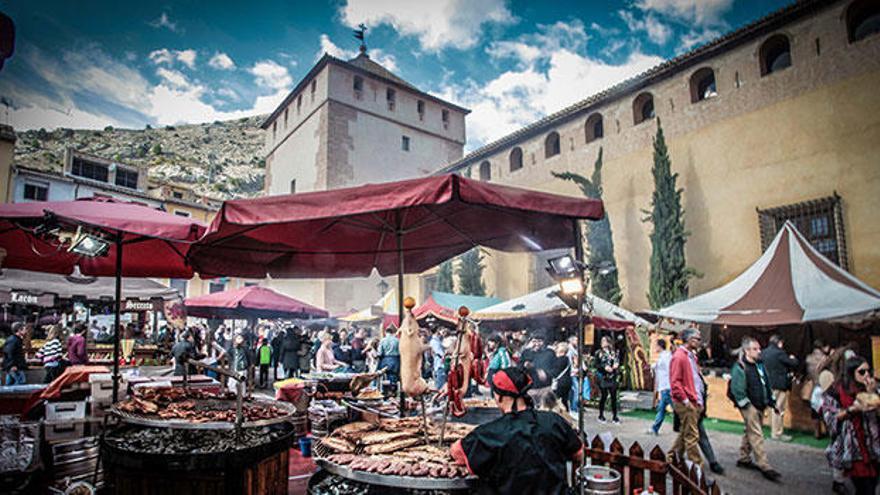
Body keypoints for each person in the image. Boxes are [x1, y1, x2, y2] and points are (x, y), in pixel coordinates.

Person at [450, 367, 582, 495]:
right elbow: (579, 454)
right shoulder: (554, 420)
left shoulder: (490, 433)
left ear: (498, 396)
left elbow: (457, 451)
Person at [820, 356, 880, 495]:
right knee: (866, 489)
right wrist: (852, 409)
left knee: (871, 484)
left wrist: (872, 395)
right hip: (852, 448)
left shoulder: (872, 389)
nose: (867, 375)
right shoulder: (835, 392)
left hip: (873, 448)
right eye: (862, 372)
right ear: (851, 372)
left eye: (868, 371)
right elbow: (830, 418)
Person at [729, 336, 780, 481]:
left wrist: (772, 402)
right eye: (755, 349)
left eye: (759, 348)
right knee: (757, 434)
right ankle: (764, 465)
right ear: (746, 351)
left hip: (760, 404)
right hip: (748, 405)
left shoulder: (760, 365)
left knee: (750, 431)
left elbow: (767, 384)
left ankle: (744, 458)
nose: (759, 351)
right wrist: (746, 405)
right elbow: (737, 389)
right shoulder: (740, 367)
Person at [668, 328, 704, 469]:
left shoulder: (691, 356)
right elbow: (675, 382)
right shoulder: (679, 356)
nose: (700, 342)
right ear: (689, 340)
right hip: (686, 402)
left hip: (694, 400)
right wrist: (686, 401)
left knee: (685, 433)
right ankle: (697, 467)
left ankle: (671, 457)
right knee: (692, 436)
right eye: (697, 339)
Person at [762, 334, 799, 441]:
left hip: (768, 383)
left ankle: (773, 431)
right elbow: (793, 363)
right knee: (778, 408)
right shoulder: (780, 353)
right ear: (779, 343)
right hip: (780, 384)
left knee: (771, 408)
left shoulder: (764, 353)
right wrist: (792, 358)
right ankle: (777, 433)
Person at [805, 339, 832, 438]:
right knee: (827, 409)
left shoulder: (809, 358)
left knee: (815, 411)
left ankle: (817, 432)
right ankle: (829, 431)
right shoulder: (826, 359)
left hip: (814, 386)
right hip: (825, 386)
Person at [594, 335, 621, 424]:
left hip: (612, 376)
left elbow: (617, 361)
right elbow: (596, 365)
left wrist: (616, 366)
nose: (603, 343)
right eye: (602, 341)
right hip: (603, 376)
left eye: (605, 341)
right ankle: (601, 415)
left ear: (609, 342)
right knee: (604, 395)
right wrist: (604, 367)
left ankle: (615, 416)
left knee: (613, 396)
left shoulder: (614, 352)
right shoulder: (598, 353)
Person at [651, 338, 672, 435]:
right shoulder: (663, 356)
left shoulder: (666, 356)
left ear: (660, 346)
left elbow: (669, 369)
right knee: (662, 408)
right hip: (664, 387)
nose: (655, 347)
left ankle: (655, 428)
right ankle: (655, 428)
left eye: (656, 345)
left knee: (664, 408)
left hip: (666, 386)